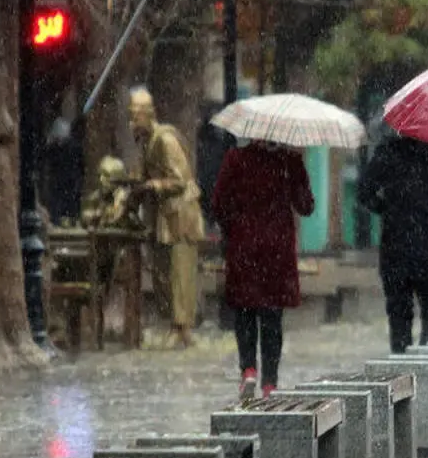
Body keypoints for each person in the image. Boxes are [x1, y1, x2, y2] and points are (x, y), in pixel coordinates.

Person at [211, 139, 315, 400]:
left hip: (244, 247)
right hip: (276, 250)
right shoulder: (289, 161)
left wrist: (233, 228)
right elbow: (306, 206)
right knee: (272, 318)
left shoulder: (235, 158)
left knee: (244, 312)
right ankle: (270, 383)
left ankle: (248, 370)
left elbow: (218, 203)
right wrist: (298, 180)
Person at [357, 134, 428, 353]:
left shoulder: (388, 151)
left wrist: (387, 209)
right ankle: (426, 364)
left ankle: (402, 367)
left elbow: (364, 191)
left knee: (399, 314)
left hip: (396, 245)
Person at [128, 87, 206, 348]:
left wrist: (152, 186)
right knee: (165, 272)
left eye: (136, 117)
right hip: (166, 215)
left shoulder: (165, 140)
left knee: (180, 271)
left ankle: (182, 327)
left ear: (147, 115)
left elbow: (179, 179)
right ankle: (176, 322)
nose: (132, 122)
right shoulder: (148, 141)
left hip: (181, 214)